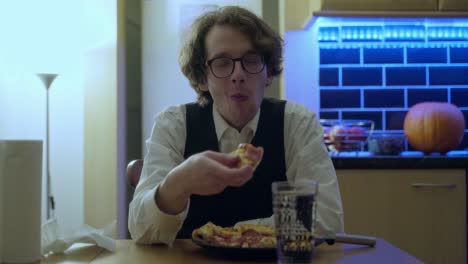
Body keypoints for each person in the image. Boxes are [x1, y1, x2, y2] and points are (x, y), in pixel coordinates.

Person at [128, 5, 343, 245]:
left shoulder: (297, 123)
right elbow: (143, 232)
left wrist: (232, 234)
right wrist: (178, 183)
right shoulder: (174, 125)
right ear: (202, 78)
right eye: (222, 62)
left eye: (251, 61)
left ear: (268, 72)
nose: (238, 74)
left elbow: (326, 221)